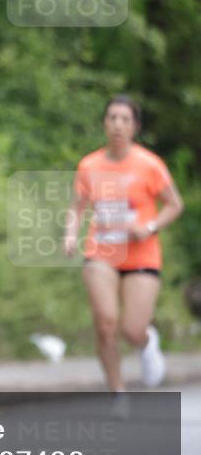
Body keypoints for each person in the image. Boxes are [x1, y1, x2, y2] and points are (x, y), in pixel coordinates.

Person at [64, 95, 184, 403]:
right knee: (105, 324)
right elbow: (77, 208)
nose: (118, 125)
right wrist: (70, 235)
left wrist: (150, 227)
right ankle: (117, 392)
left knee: (132, 329)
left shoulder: (149, 164)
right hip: (101, 251)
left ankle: (146, 342)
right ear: (105, 123)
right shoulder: (89, 165)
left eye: (125, 119)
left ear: (135, 127)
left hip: (141, 253)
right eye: (112, 118)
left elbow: (174, 204)